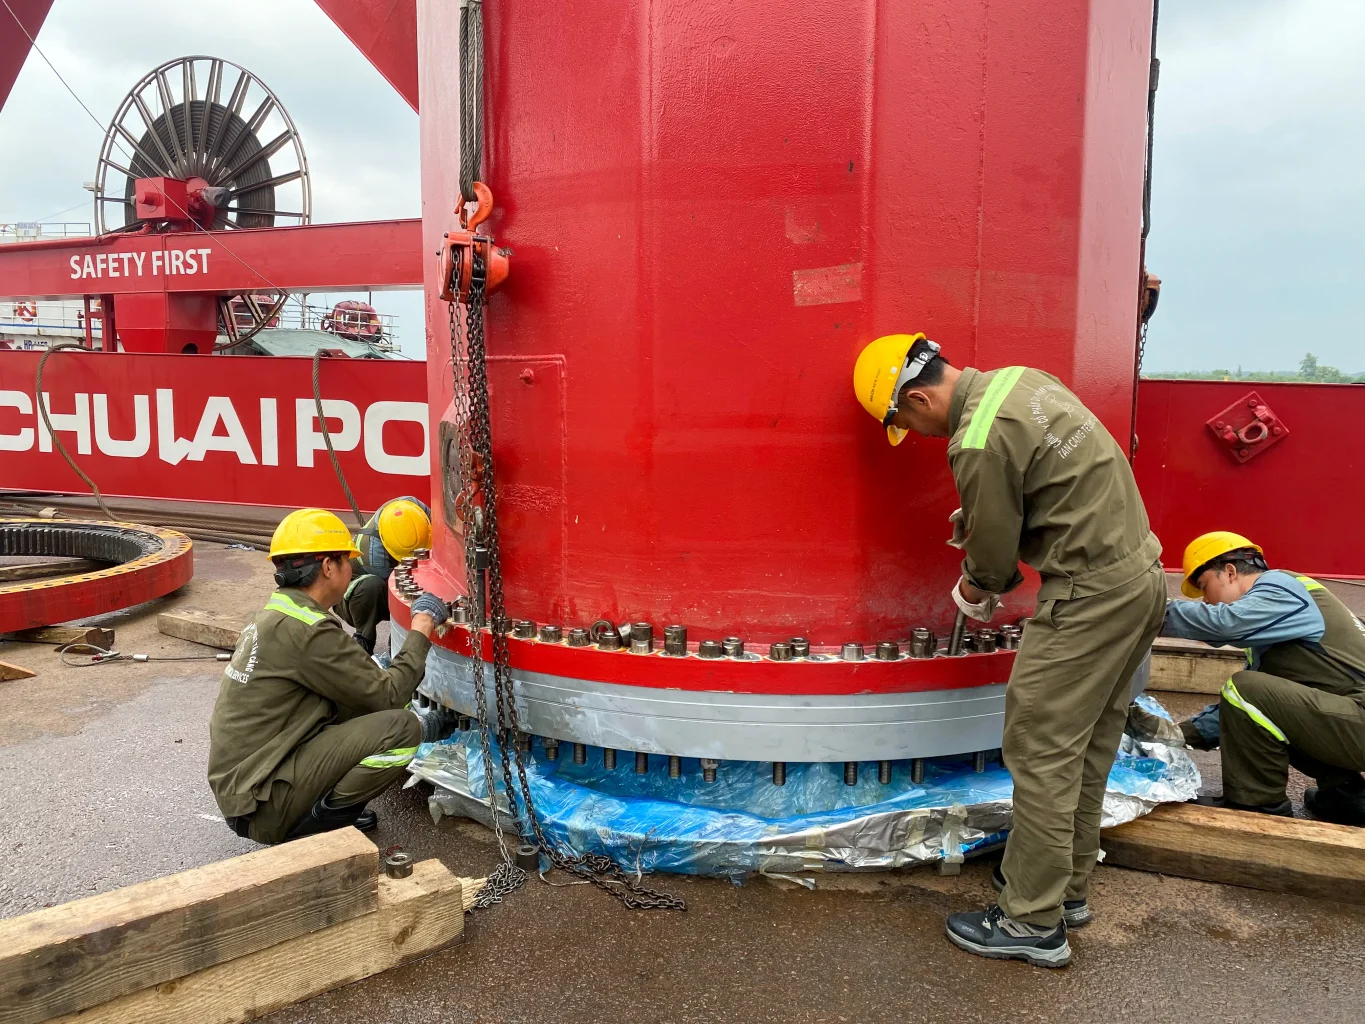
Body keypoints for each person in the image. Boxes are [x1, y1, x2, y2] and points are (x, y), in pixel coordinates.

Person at [852, 334, 1165, 969]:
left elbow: (994, 562)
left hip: (1087, 600)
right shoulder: (1023, 381)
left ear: (917, 399)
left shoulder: (974, 440)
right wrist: (984, 522)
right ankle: (1064, 887)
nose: (917, 435)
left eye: (907, 423)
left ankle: (1031, 921)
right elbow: (1044, 488)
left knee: (1041, 751)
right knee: (1085, 744)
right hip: (1140, 579)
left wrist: (975, 586)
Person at [208, 507, 450, 845]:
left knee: (357, 698)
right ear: (327, 567)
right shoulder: (308, 630)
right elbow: (390, 695)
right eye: (347, 561)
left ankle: (312, 806)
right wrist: (421, 626)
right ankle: (323, 822)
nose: (352, 568)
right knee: (402, 728)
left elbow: (363, 690)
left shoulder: (277, 615)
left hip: (248, 789)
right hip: (262, 805)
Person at [1164, 531, 1365, 825]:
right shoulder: (1276, 627)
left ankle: (1259, 808)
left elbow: (1226, 625)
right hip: (1354, 719)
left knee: (1244, 689)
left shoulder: (1281, 585)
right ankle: (1347, 795)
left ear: (1230, 572)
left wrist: (1149, 611)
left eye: (1205, 587)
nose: (1206, 600)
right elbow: (1245, 712)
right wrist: (1177, 734)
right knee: (1264, 703)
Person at [335, 496, 432, 657]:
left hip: (377, 582)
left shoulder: (412, 506)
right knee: (373, 587)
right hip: (352, 599)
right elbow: (400, 596)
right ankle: (364, 638)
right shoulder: (373, 557)